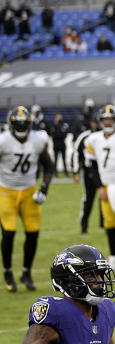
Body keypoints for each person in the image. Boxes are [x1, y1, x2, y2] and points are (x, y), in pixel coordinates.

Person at [1, 106, 53, 293]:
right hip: (6, 190)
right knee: (9, 233)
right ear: (11, 124)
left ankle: (26, 272)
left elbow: (48, 165)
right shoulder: (3, 141)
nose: (22, 127)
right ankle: (8, 273)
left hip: (29, 190)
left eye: (25, 123)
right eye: (18, 123)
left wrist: (44, 189)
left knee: (33, 233)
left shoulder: (38, 139)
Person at [49, 112, 71, 177]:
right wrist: (59, 134)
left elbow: (65, 134)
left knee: (64, 159)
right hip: (56, 144)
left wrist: (59, 134)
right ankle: (55, 173)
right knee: (55, 159)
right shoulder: (53, 125)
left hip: (62, 144)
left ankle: (66, 173)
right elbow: (53, 134)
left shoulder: (63, 124)